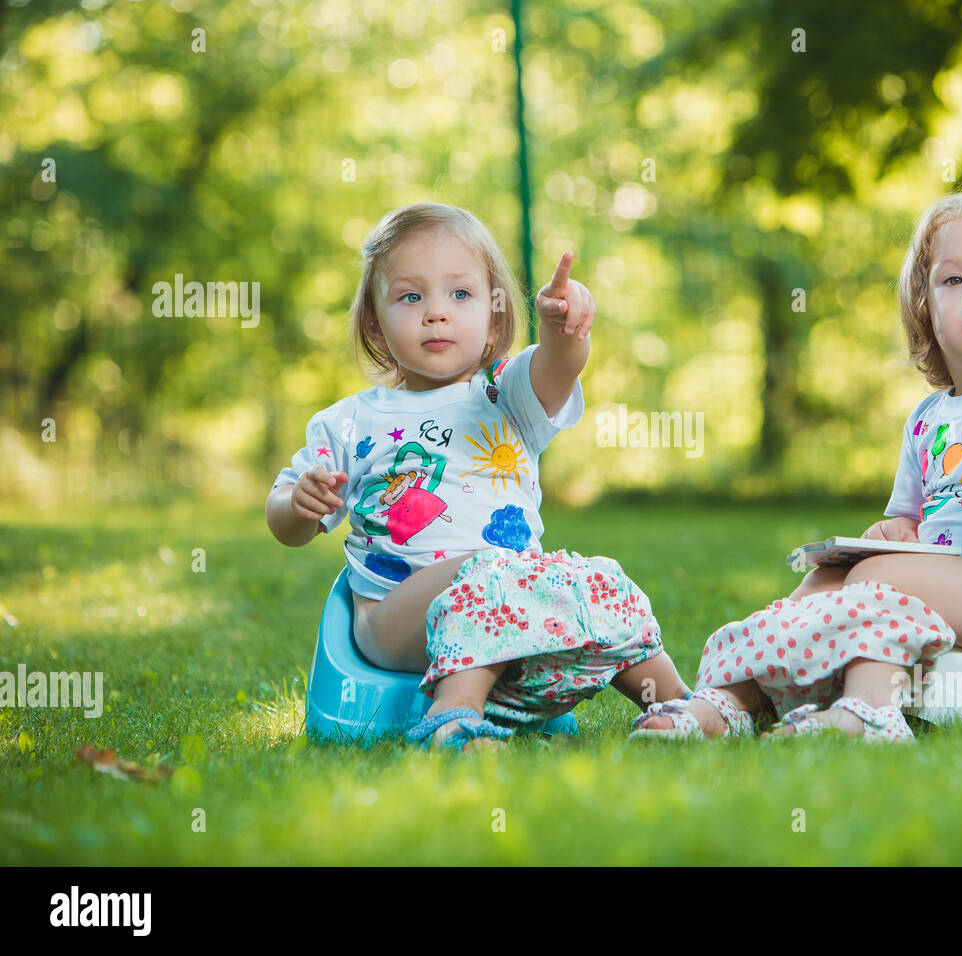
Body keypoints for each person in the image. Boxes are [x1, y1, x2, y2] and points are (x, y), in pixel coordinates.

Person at [631, 188, 962, 742]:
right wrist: (893, 531)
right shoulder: (929, 417)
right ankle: (730, 701)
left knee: (883, 576)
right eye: (954, 281)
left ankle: (869, 714)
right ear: (925, 308)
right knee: (825, 579)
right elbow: (910, 522)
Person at [267, 201, 691, 750]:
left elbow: (558, 365)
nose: (436, 313)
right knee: (486, 573)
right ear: (374, 319)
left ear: (496, 315)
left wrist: (565, 328)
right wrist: (298, 503)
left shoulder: (506, 393)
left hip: (514, 601)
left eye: (460, 294)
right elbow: (285, 522)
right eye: (410, 296)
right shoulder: (348, 422)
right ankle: (454, 720)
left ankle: (679, 706)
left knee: (601, 582)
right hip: (396, 621)